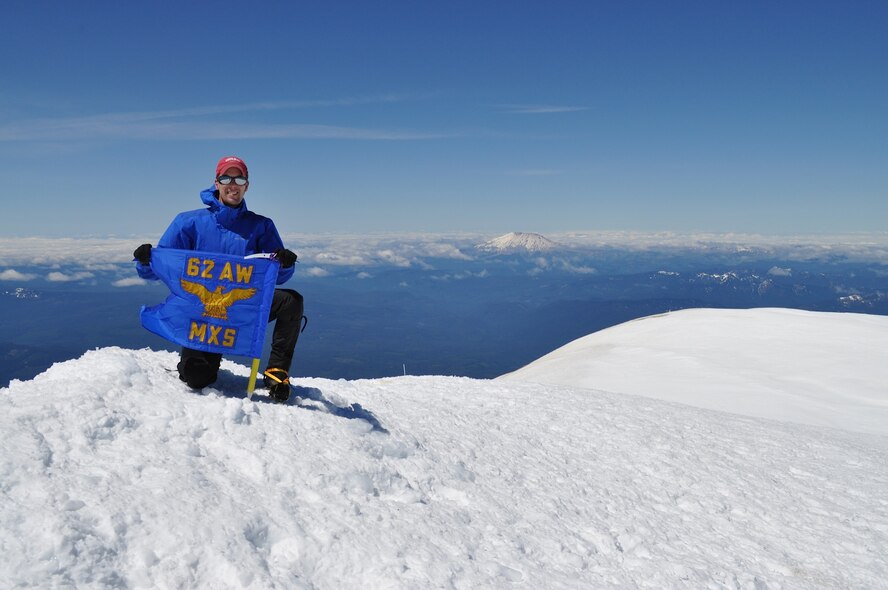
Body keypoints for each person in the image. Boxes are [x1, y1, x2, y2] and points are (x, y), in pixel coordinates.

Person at [133, 156, 303, 402]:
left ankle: (277, 372)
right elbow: (161, 268)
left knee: (291, 301)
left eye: (239, 178)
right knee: (197, 379)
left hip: (240, 309)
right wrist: (146, 260)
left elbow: (275, 278)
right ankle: (198, 360)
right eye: (226, 178)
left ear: (247, 185)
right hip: (203, 317)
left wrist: (285, 264)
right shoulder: (189, 223)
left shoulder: (261, 226)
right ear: (216, 183)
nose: (233, 184)